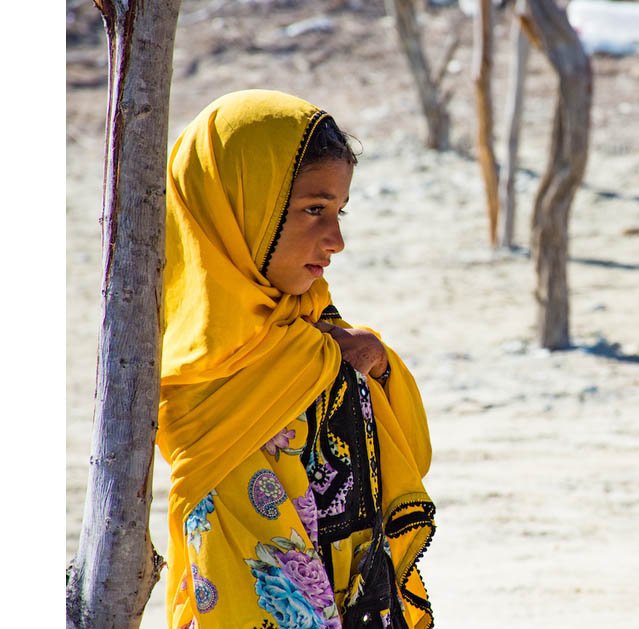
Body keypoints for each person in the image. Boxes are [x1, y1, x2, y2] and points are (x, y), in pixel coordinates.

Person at [157, 89, 435, 629]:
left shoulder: (314, 325)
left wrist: (376, 364)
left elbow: (411, 457)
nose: (336, 240)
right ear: (238, 206)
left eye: (338, 212)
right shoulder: (186, 361)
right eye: (313, 210)